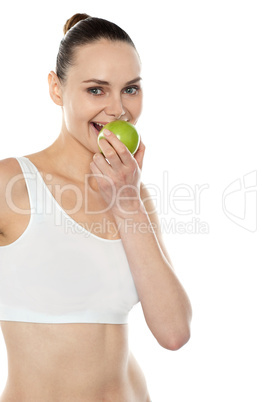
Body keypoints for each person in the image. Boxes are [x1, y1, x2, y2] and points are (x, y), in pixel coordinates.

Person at [0, 13, 192, 402]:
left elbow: (173, 332)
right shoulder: (12, 184)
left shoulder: (132, 194)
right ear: (56, 88)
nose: (119, 110)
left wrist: (127, 203)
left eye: (131, 89)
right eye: (96, 90)